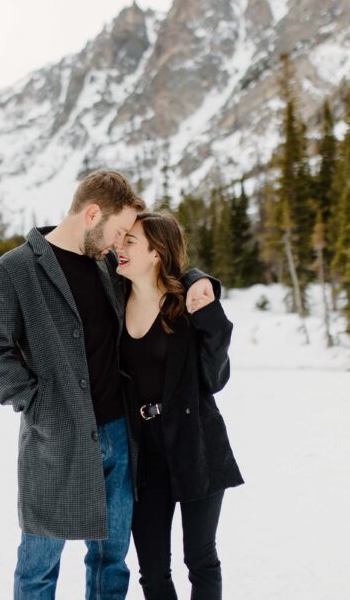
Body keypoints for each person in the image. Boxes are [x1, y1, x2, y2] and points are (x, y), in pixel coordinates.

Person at [0, 170, 220, 600]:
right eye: (119, 231)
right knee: (38, 564)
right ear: (92, 214)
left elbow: (161, 269)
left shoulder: (108, 265)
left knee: (111, 561)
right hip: (55, 440)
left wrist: (201, 279)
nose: (120, 243)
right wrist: (38, 405)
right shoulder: (15, 270)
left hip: (119, 437)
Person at [116, 211, 243, 600]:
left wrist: (207, 311)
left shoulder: (185, 305)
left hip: (195, 444)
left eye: (130, 242)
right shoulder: (113, 299)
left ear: (156, 253)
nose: (119, 247)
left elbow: (215, 380)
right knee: (152, 569)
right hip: (143, 452)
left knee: (200, 559)